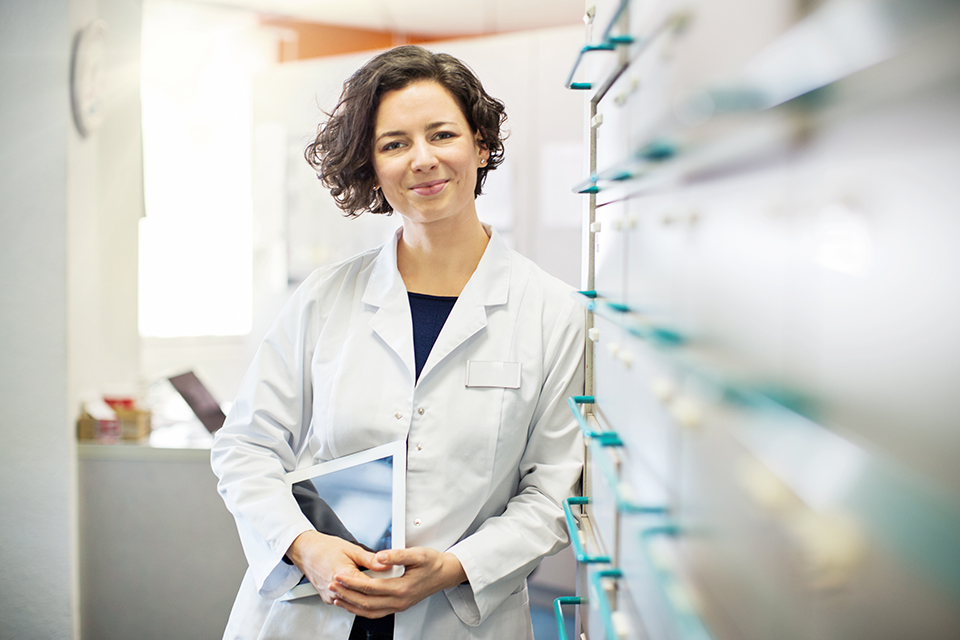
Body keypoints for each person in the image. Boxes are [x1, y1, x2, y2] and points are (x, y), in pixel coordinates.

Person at [211, 44, 585, 640]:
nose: (422, 160)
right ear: (373, 167)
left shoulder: (553, 312)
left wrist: (455, 567)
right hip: (311, 607)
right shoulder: (324, 298)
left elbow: (551, 493)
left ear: (480, 146)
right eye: (394, 144)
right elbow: (246, 447)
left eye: (442, 135)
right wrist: (306, 547)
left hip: (457, 615)